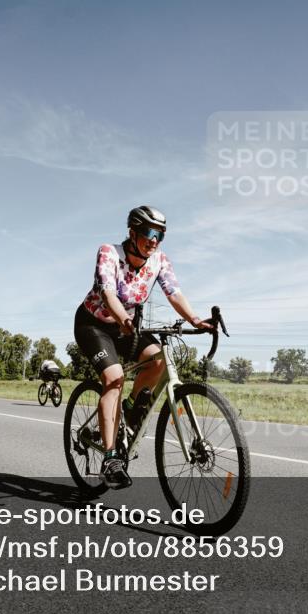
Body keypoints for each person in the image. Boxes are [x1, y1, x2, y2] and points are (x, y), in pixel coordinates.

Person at [74, 206, 213, 490]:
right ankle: (111, 459)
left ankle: (129, 412)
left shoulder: (159, 261)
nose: (154, 240)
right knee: (114, 379)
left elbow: (174, 293)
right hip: (95, 325)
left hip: (129, 326)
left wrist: (195, 319)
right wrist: (122, 317)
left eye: (160, 235)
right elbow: (107, 292)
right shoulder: (109, 253)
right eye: (149, 233)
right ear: (132, 232)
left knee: (158, 362)